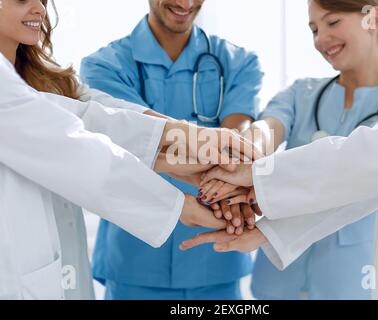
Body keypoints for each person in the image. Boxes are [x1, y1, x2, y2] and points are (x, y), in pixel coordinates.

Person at [181, 0, 378, 300]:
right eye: (314, 29)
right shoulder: (302, 92)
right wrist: (239, 159)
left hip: (349, 280)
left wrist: (252, 174)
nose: (320, 39)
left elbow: (376, 162)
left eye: (332, 23)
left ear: (373, 18)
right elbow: (268, 130)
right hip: (280, 280)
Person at [0, 0, 254, 300]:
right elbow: (76, 148)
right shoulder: (105, 62)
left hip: (64, 262)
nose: (39, 9)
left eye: (42, 0)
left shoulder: (51, 80)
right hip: (36, 263)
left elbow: (97, 114)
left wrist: (190, 145)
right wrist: (180, 205)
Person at [80, 0, 263, 300]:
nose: (185, 2)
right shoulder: (104, 66)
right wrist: (228, 174)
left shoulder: (238, 62)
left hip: (216, 259)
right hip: (135, 258)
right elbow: (125, 134)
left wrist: (230, 166)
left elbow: (236, 138)